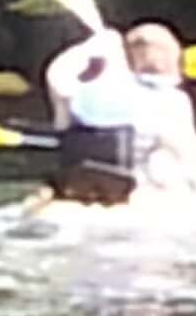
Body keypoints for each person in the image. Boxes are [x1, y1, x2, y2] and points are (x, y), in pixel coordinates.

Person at [42, 16, 145, 206]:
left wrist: (92, 47)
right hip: (122, 185)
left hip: (76, 181)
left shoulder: (65, 92)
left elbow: (56, 72)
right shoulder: (143, 93)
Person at [123, 22, 196, 195]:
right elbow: (187, 151)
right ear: (168, 59)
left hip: (111, 183)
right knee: (168, 161)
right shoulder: (172, 99)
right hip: (149, 188)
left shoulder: (110, 91)